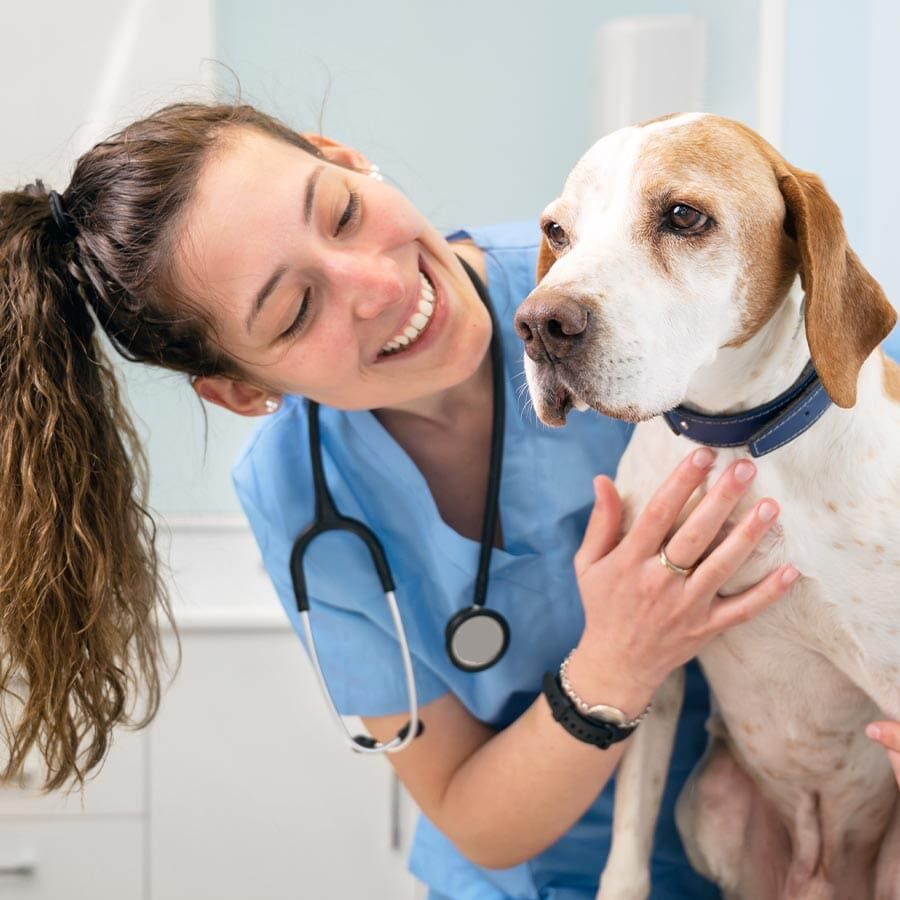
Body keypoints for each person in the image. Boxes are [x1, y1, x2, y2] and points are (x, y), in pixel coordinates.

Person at [0, 101, 896, 898]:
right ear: (243, 391)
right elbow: (475, 816)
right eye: (294, 311)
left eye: (342, 213)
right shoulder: (298, 495)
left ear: (344, 155)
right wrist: (617, 661)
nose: (382, 286)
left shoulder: (604, 305)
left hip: (729, 857)